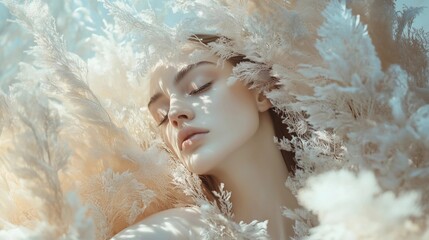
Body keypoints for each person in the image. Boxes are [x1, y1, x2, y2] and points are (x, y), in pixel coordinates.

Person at [112, 34, 300, 240]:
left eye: (198, 86)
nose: (173, 114)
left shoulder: (337, 204)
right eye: (162, 115)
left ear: (261, 90)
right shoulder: (172, 233)